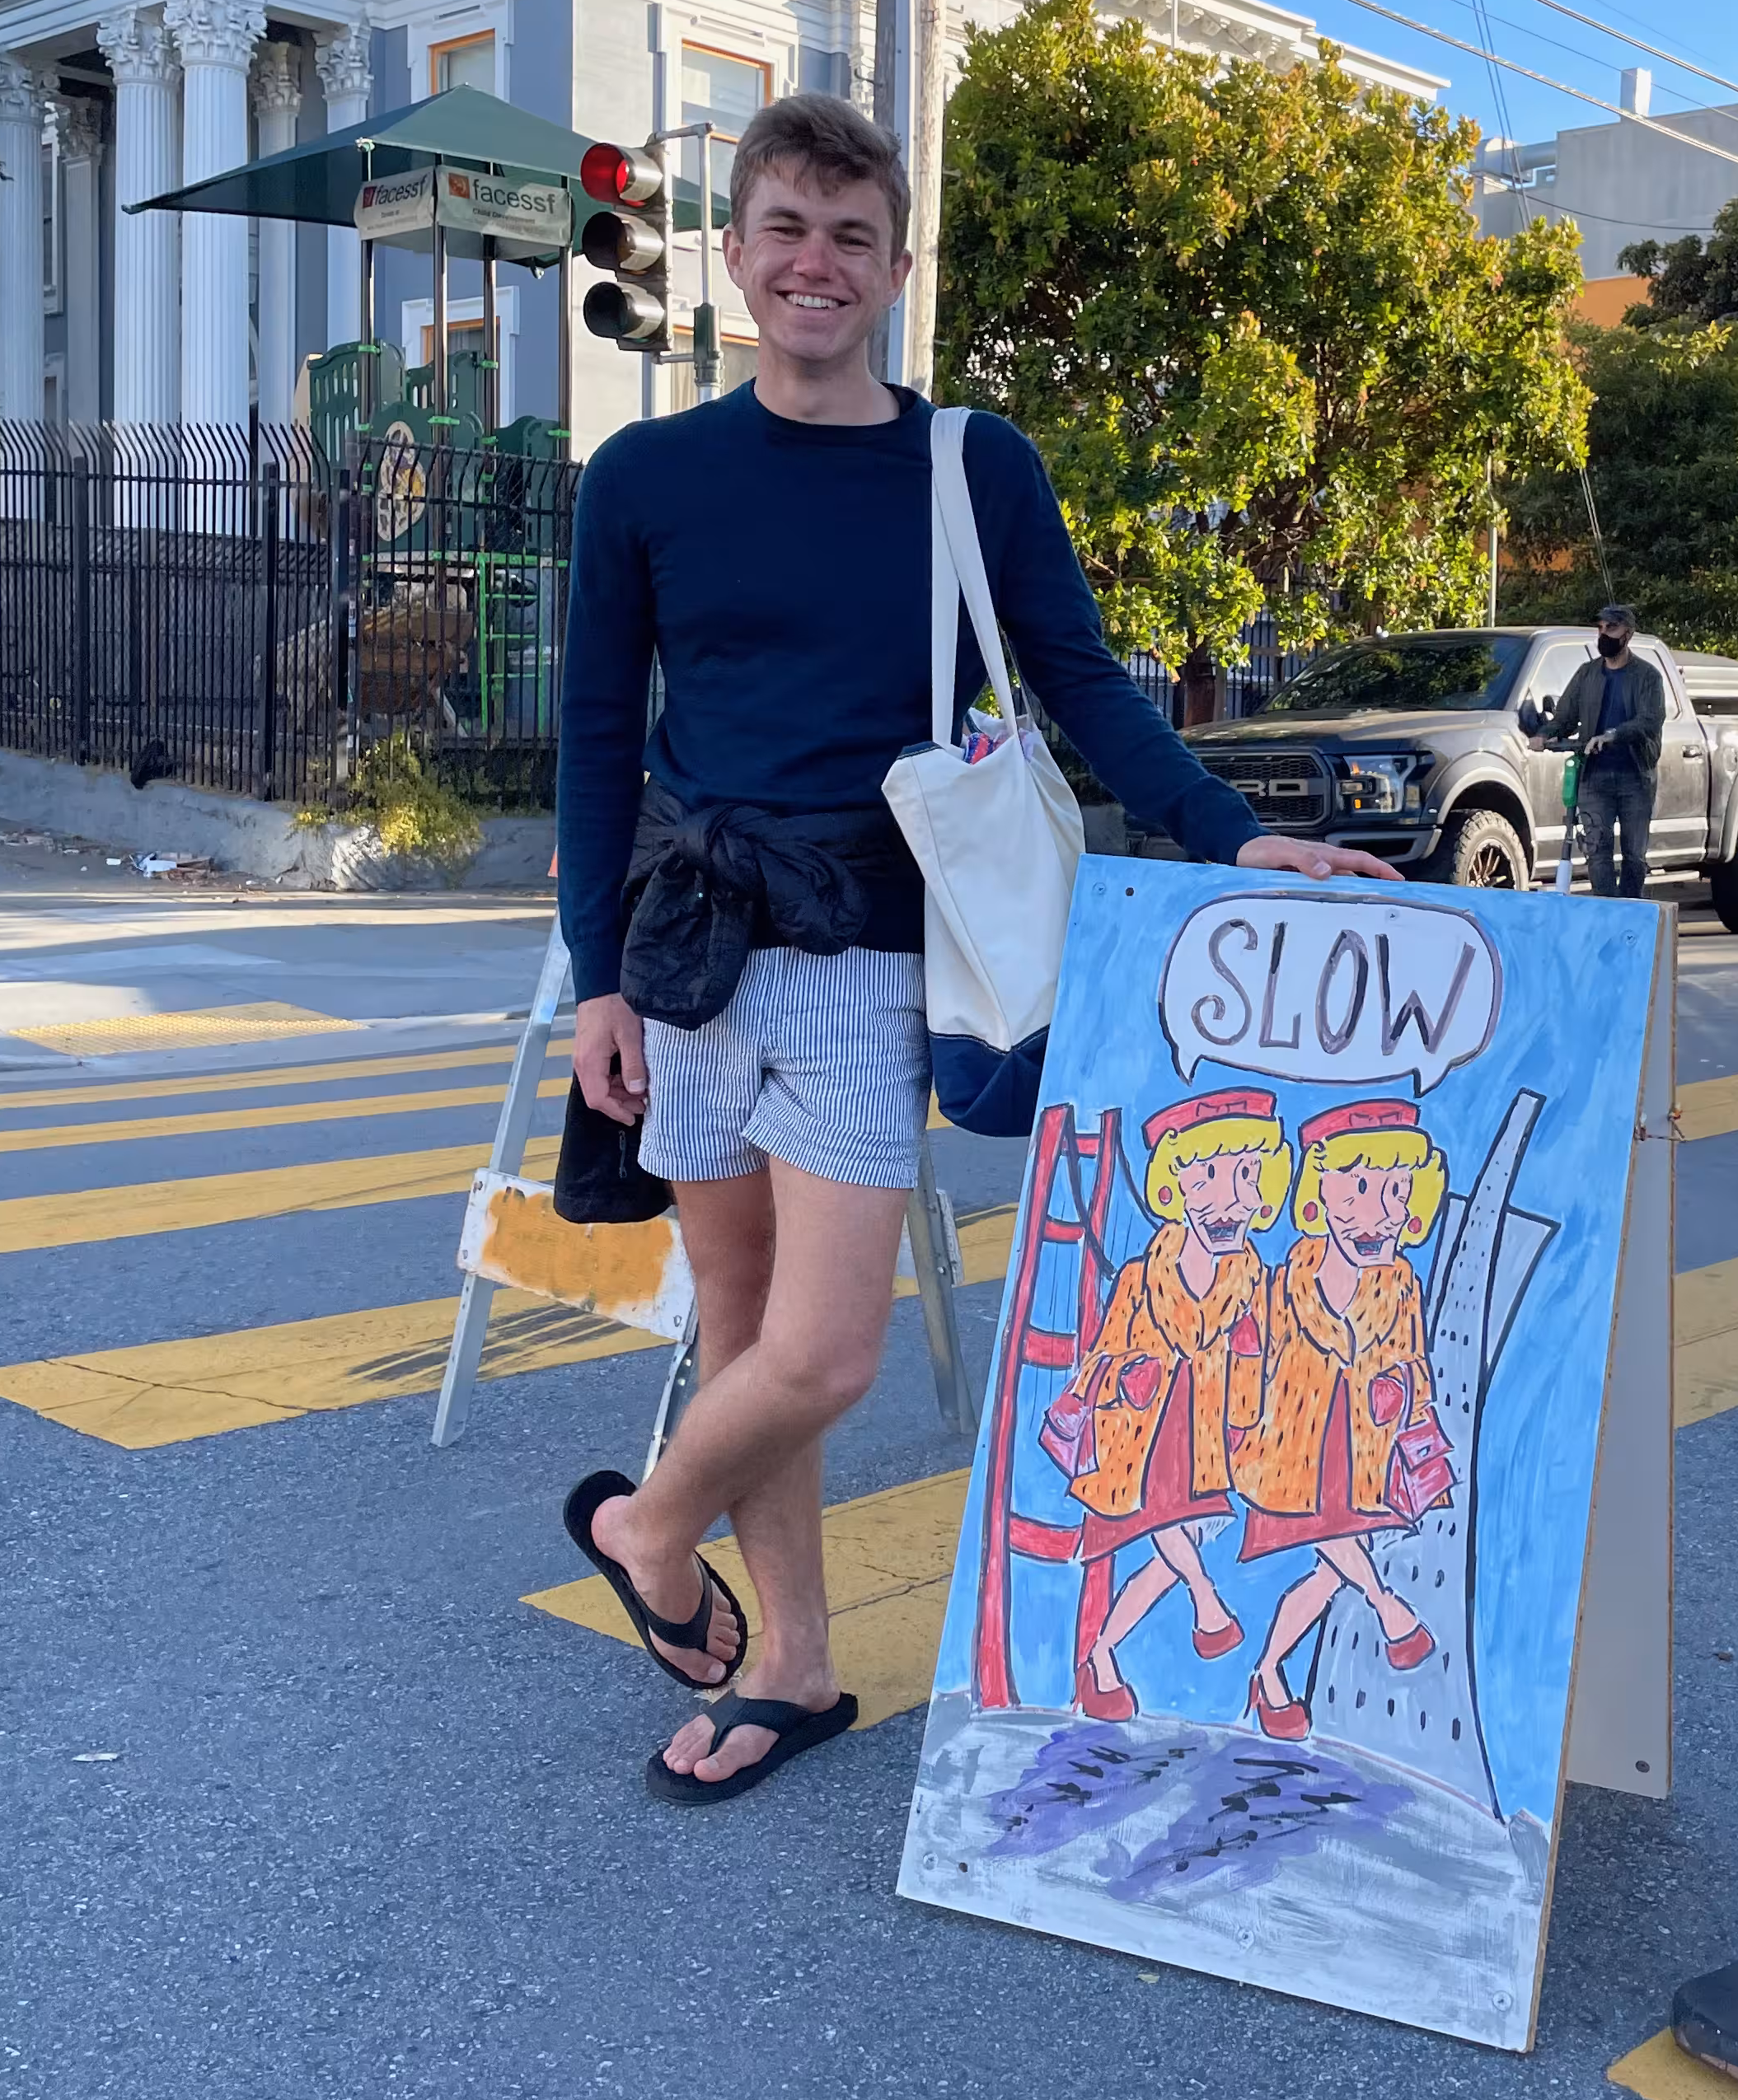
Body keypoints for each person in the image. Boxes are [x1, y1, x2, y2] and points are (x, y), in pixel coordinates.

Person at [555, 91, 1398, 1806]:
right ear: (737, 250)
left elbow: (1080, 680)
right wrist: (599, 978)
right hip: (693, 951)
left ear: (895, 266)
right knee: (739, 1325)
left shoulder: (968, 466)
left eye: (852, 239)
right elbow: (590, 734)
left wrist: (1236, 834)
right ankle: (789, 1667)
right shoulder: (645, 475)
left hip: (872, 960)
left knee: (827, 1351)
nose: (816, 264)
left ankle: (642, 1529)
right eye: (786, 229)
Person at [1051, 1088, 1289, 1720]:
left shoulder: (1252, 1280)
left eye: (1245, 1175)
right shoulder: (1139, 1277)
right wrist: (1130, 1376)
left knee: (1165, 1553)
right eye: (1207, 1175)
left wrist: (1244, 1400)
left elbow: (1256, 1369)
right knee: (1166, 1525)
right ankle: (1207, 1603)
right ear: (1173, 1188)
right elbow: (1101, 1358)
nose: (1229, 1196)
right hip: (1139, 1436)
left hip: (1204, 1438)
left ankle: (1100, 1655)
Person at [1226, 1097, 1447, 1741]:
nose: (1377, 1212)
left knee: (1328, 1568)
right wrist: (1237, 1425)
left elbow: (1414, 1358)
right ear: (1319, 1195)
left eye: (1395, 1191)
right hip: (1287, 1448)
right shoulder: (1285, 1277)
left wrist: (1401, 1394)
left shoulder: (1400, 1280)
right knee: (1333, 1546)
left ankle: (1268, 1673)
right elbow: (1250, 1354)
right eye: (1356, 1189)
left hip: (1360, 1451)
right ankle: (1390, 1612)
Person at [1545, 601, 1667, 899]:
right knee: (1596, 852)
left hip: (1634, 777)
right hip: (1594, 778)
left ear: (1628, 634)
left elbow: (1650, 720)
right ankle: (1606, 911)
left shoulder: (1647, 677)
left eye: (1611, 628)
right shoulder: (1587, 674)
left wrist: (1613, 735)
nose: (1604, 634)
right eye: (1600, 628)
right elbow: (1564, 717)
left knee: (1634, 856)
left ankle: (1630, 912)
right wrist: (1541, 735)